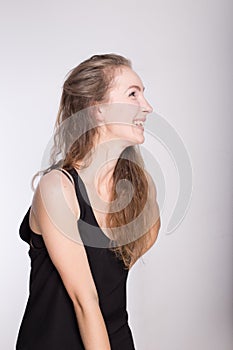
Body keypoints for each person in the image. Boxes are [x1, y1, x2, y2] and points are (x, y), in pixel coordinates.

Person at [16, 53, 161, 350]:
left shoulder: (138, 192)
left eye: (143, 95)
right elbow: (85, 301)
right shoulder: (57, 188)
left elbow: (113, 274)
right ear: (98, 110)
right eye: (133, 94)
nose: (147, 107)